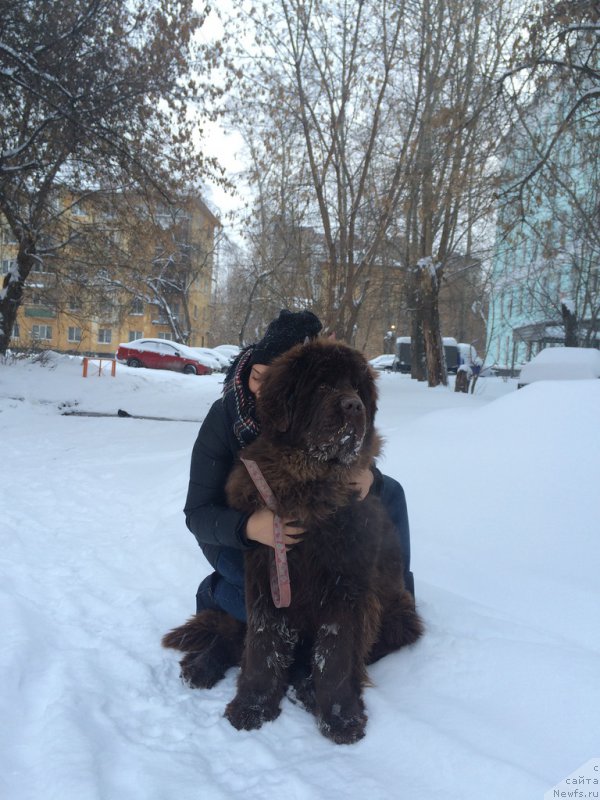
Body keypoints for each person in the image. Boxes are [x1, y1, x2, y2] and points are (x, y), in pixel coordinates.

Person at [184, 309, 414, 623]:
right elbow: (197, 512)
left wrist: (370, 477)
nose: (262, 390)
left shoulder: (314, 407)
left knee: (392, 491)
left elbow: (345, 451)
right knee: (275, 611)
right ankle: (215, 594)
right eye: (256, 377)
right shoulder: (227, 416)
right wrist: (250, 528)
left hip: (302, 529)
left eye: (274, 380)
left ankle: (400, 596)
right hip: (234, 536)